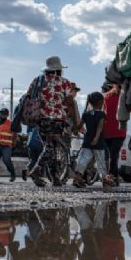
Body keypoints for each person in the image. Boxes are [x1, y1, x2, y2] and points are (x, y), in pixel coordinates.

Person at [25, 56, 76, 187]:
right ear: (58, 69)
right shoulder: (64, 82)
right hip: (57, 119)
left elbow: (29, 97)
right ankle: (37, 169)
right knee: (51, 146)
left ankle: (55, 177)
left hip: (40, 119)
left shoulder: (37, 81)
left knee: (50, 146)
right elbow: (70, 101)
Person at [72, 92, 112, 189]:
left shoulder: (86, 114)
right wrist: (96, 138)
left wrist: (75, 130)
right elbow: (100, 127)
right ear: (101, 102)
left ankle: (78, 178)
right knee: (101, 162)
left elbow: (79, 126)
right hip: (99, 143)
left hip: (87, 142)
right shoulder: (101, 114)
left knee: (83, 160)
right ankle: (105, 183)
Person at [103, 83, 126, 185]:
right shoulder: (123, 97)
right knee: (113, 155)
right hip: (117, 131)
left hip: (109, 131)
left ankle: (113, 176)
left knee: (111, 155)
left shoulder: (105, 96)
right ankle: (113, 177)